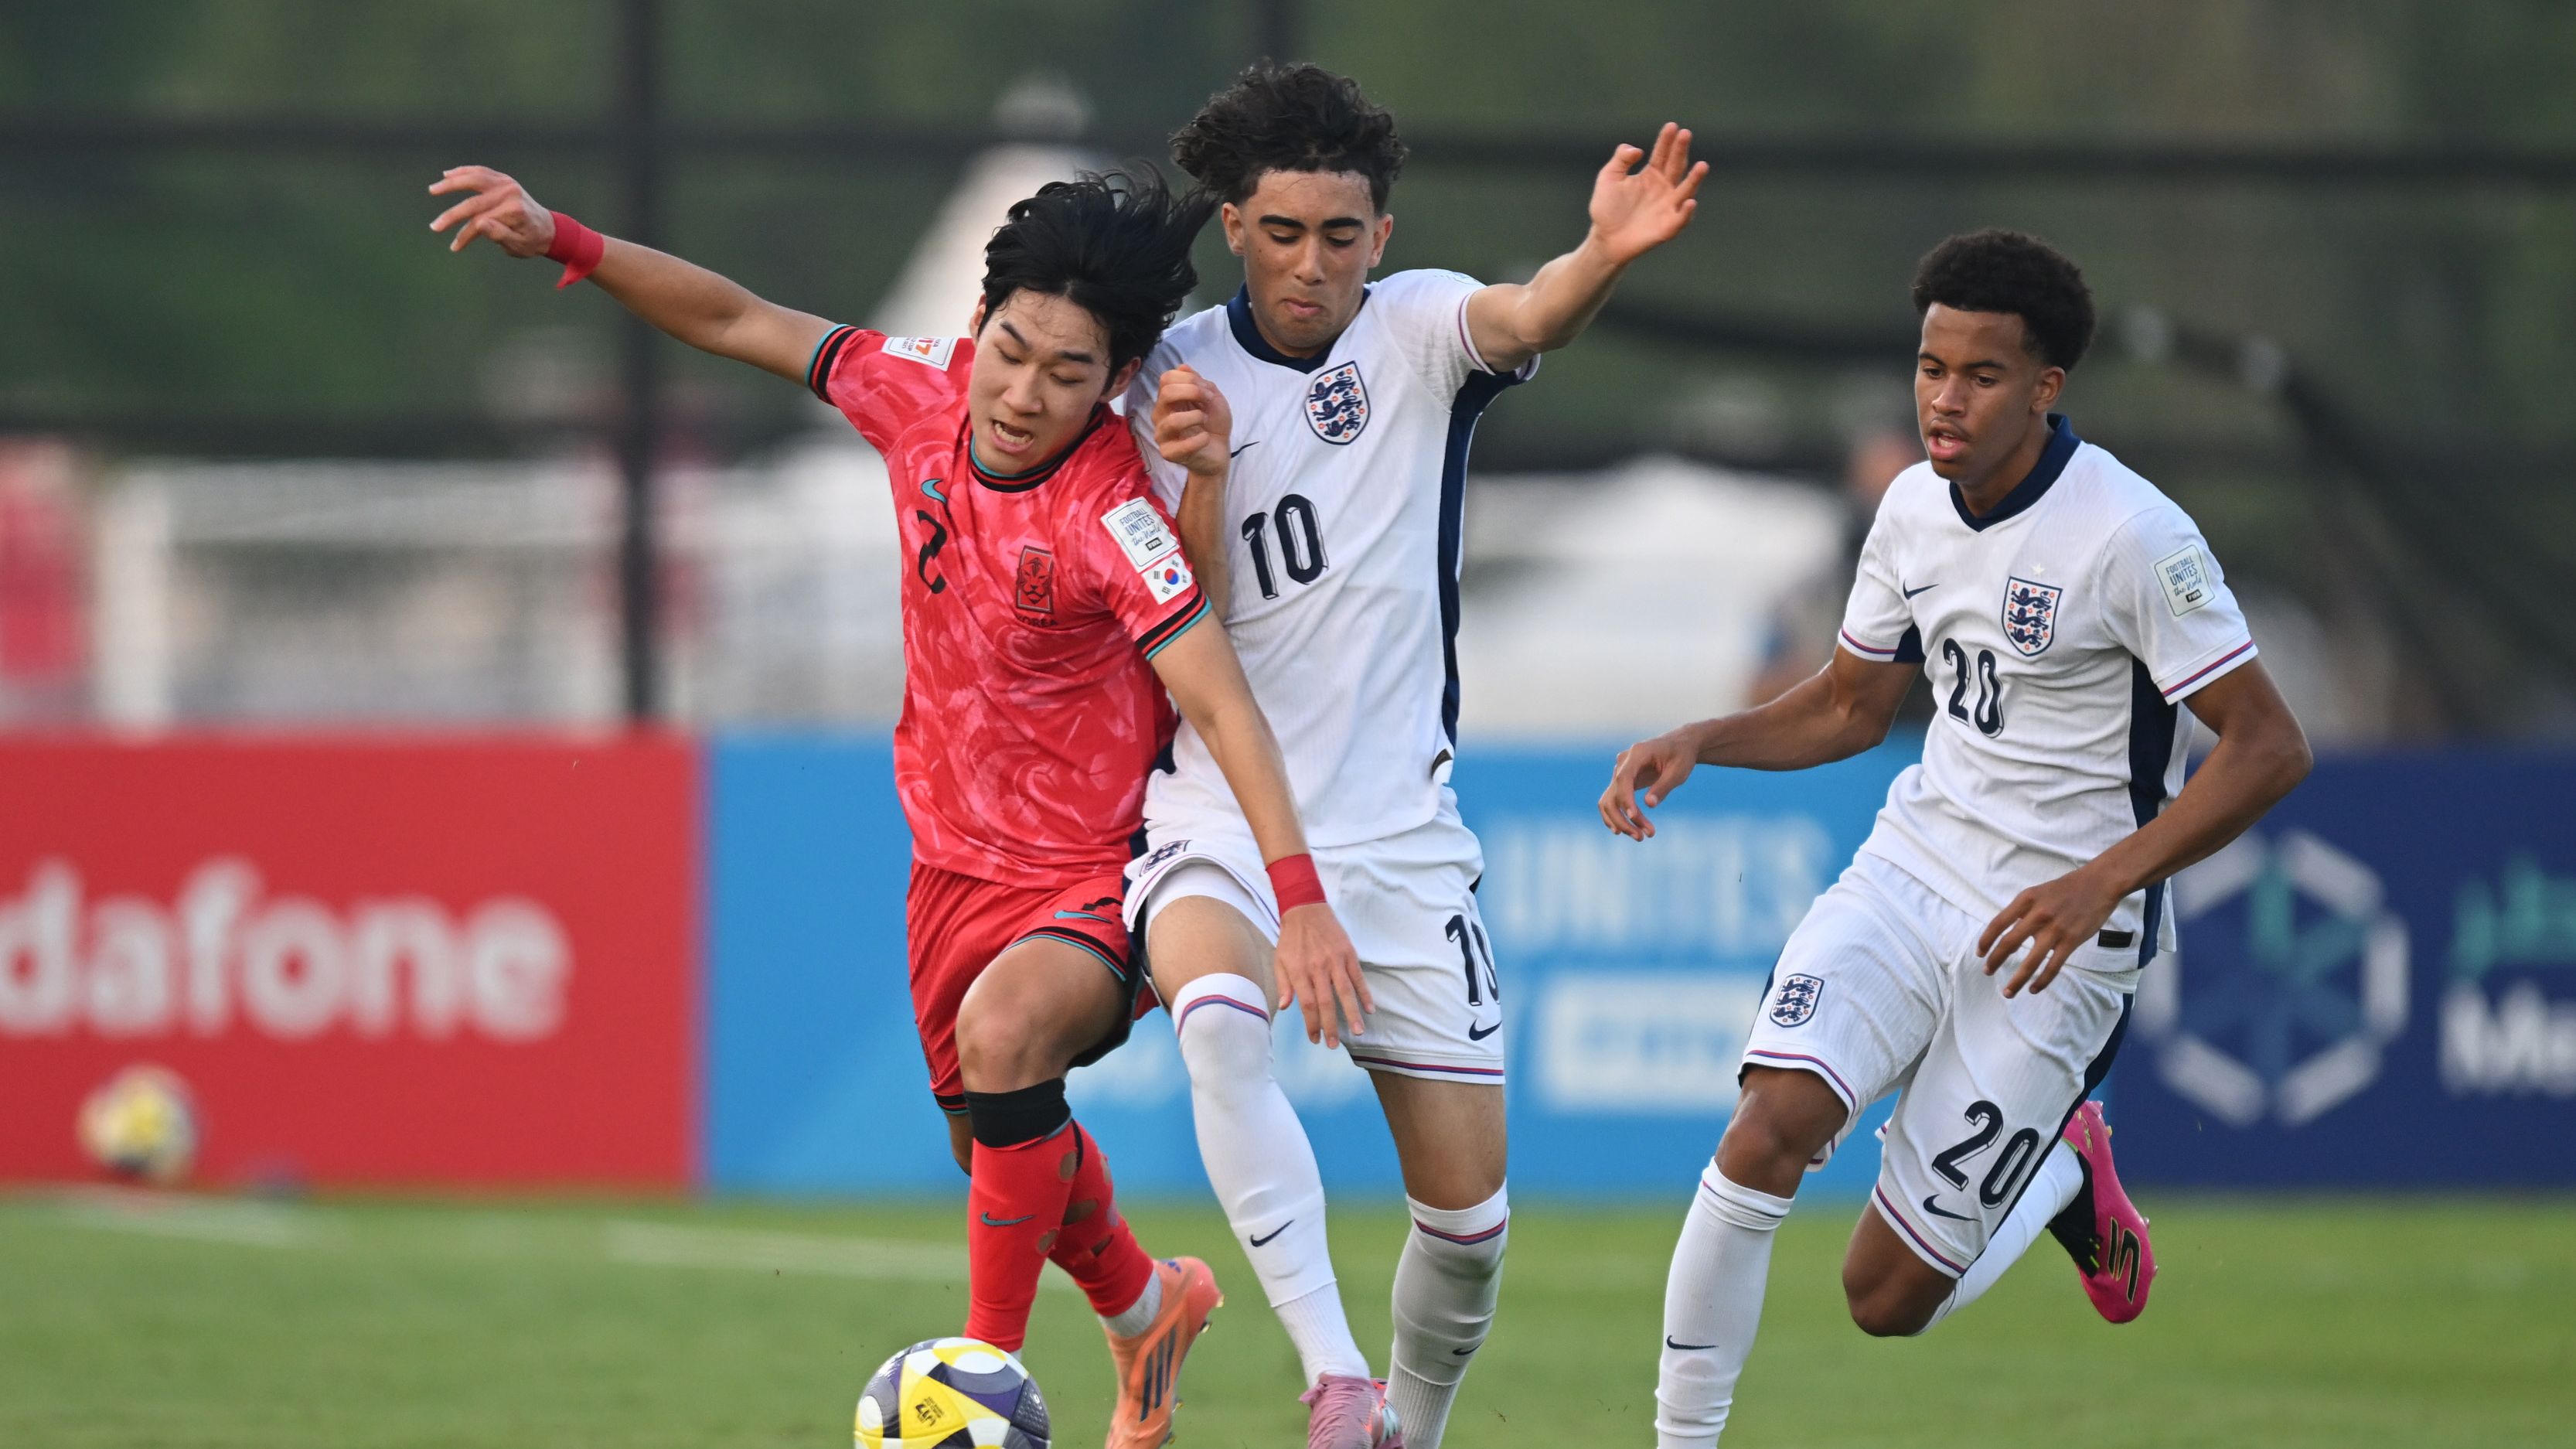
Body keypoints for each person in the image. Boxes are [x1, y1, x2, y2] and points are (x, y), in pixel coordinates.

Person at [428, 162, 1363, 1449]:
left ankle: (977, 1377)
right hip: (949, 862)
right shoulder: (916, 388)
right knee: (996, 1140)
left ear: (1114, 385)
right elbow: (738, 319)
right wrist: (566, 240)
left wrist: (1297, 894)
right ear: (979, 327)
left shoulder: (1113, 513)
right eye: (1014, 353)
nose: (1025, 394)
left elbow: (1222, 702)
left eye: (1070, 374)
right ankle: (1149, 1305)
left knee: (1007, 1034)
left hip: (1102, 865)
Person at [1599, 229, 2314, 1447]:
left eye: (1982, 375)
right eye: (1932, 367)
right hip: (1913, 869)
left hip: (2060, 938)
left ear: (2045, 386)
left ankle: (2063, 1169)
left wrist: (2102, 882)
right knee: (1767, 1126)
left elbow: (2268, 745)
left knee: (1882, 1300)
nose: (1945, 398)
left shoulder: (2133, 534)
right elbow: (1851, 706)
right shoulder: (1909, 508)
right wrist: (1704, 739)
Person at [1125, 63, 1705, 1449]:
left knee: (1469, 1230)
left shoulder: (1421, 329)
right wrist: (1203, 472)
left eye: (1341, 235)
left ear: (1379, 235)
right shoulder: (1168, 376)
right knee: (1220, 1025)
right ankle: (1335, 1376)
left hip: (1401, 845)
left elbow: (1529, 311)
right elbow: (1183, 616)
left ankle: (1406, 1429)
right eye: (1280, 232)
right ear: (1231, 225)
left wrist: (1601, 255)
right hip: (1220, 817)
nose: (1310, 263)